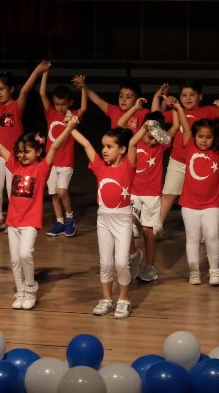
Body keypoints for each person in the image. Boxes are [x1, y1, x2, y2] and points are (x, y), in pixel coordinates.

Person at [0, 115, 79, 310]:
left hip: (30, 222)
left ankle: (30, 288)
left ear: (38, 151)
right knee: (14, 259)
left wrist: (69, 127)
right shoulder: (14, 164)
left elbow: (55, 146)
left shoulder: (42, 169)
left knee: (25, 254)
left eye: (27, 151)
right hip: (13, 221)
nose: (22, 155)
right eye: (20, 152)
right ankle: (20, 291)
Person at [153, 81, 219, 237]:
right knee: (169, 193)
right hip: (178, 161)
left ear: (200, 97)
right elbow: (155, 117)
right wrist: (159, 98)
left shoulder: (207, 111)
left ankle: (202, 231)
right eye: (184, 95)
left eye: (192, 95)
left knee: (200, 196)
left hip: (201, 162)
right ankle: (157, 225)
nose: (188, 98)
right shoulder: (176, 111)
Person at [71, 123, 146, 318]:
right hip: (103, 219)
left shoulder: (128, 166)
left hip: (122, 220)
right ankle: (106, 299)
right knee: (105, 263)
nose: (104, 150)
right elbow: (86, 144)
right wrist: (70, 126)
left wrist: (146, 127)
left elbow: (134, 142)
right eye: (103, 146)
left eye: (109, 146)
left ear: (122, 149)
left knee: (121, 263)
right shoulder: (99, 166)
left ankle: (124, 299)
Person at [0, 61, 48, 232]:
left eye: (2, 89)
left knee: (10, 188)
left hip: (14, 157)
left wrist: (37, 71)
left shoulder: (16, 106)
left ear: (11, 89)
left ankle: (13, 218)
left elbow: (25, 90)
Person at [167, 96, 219, 286]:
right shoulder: (189, 146)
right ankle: (194, 272)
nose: (204, 140)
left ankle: (214, 271)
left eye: (208, 137)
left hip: (212, 204)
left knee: (211, 236)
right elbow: (186, 126)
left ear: (214, 138)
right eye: (200, 136)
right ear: (194, 136)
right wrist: (179, 108)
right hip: (189, 204)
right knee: (193, 239)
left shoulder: (218, 150)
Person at [120, 104, 180, 282]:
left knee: (148, 232)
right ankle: (133, 255)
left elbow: (176, 127)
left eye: (156, 138)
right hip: (133, 193)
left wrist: (175, 108)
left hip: (152, 196)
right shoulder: (135, 141)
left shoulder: (160, 146)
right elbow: (121, 124)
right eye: (150, 137)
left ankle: (150, 267)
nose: (153, 141)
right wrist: (145, 125)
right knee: (125, 224)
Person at [40, 66, 87, 237]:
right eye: (57, 104)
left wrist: (83, 88)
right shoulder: (50, 112)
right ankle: (59, 222)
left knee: (62, 191)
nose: (60, 107)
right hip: (51, 161)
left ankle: (69, 218)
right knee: (54, 193)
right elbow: (42, 93)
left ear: (70, 103)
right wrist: (45, 74)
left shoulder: (72, 116)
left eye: (63, 104)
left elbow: (84, 108)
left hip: (66, 161)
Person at [87, 79, 152, 131]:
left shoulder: (145, 113)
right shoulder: (113, 110)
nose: (123, 100)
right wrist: (83, 87)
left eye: (128, 97)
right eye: (121, 96)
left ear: (137, 99)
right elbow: (98, 101)